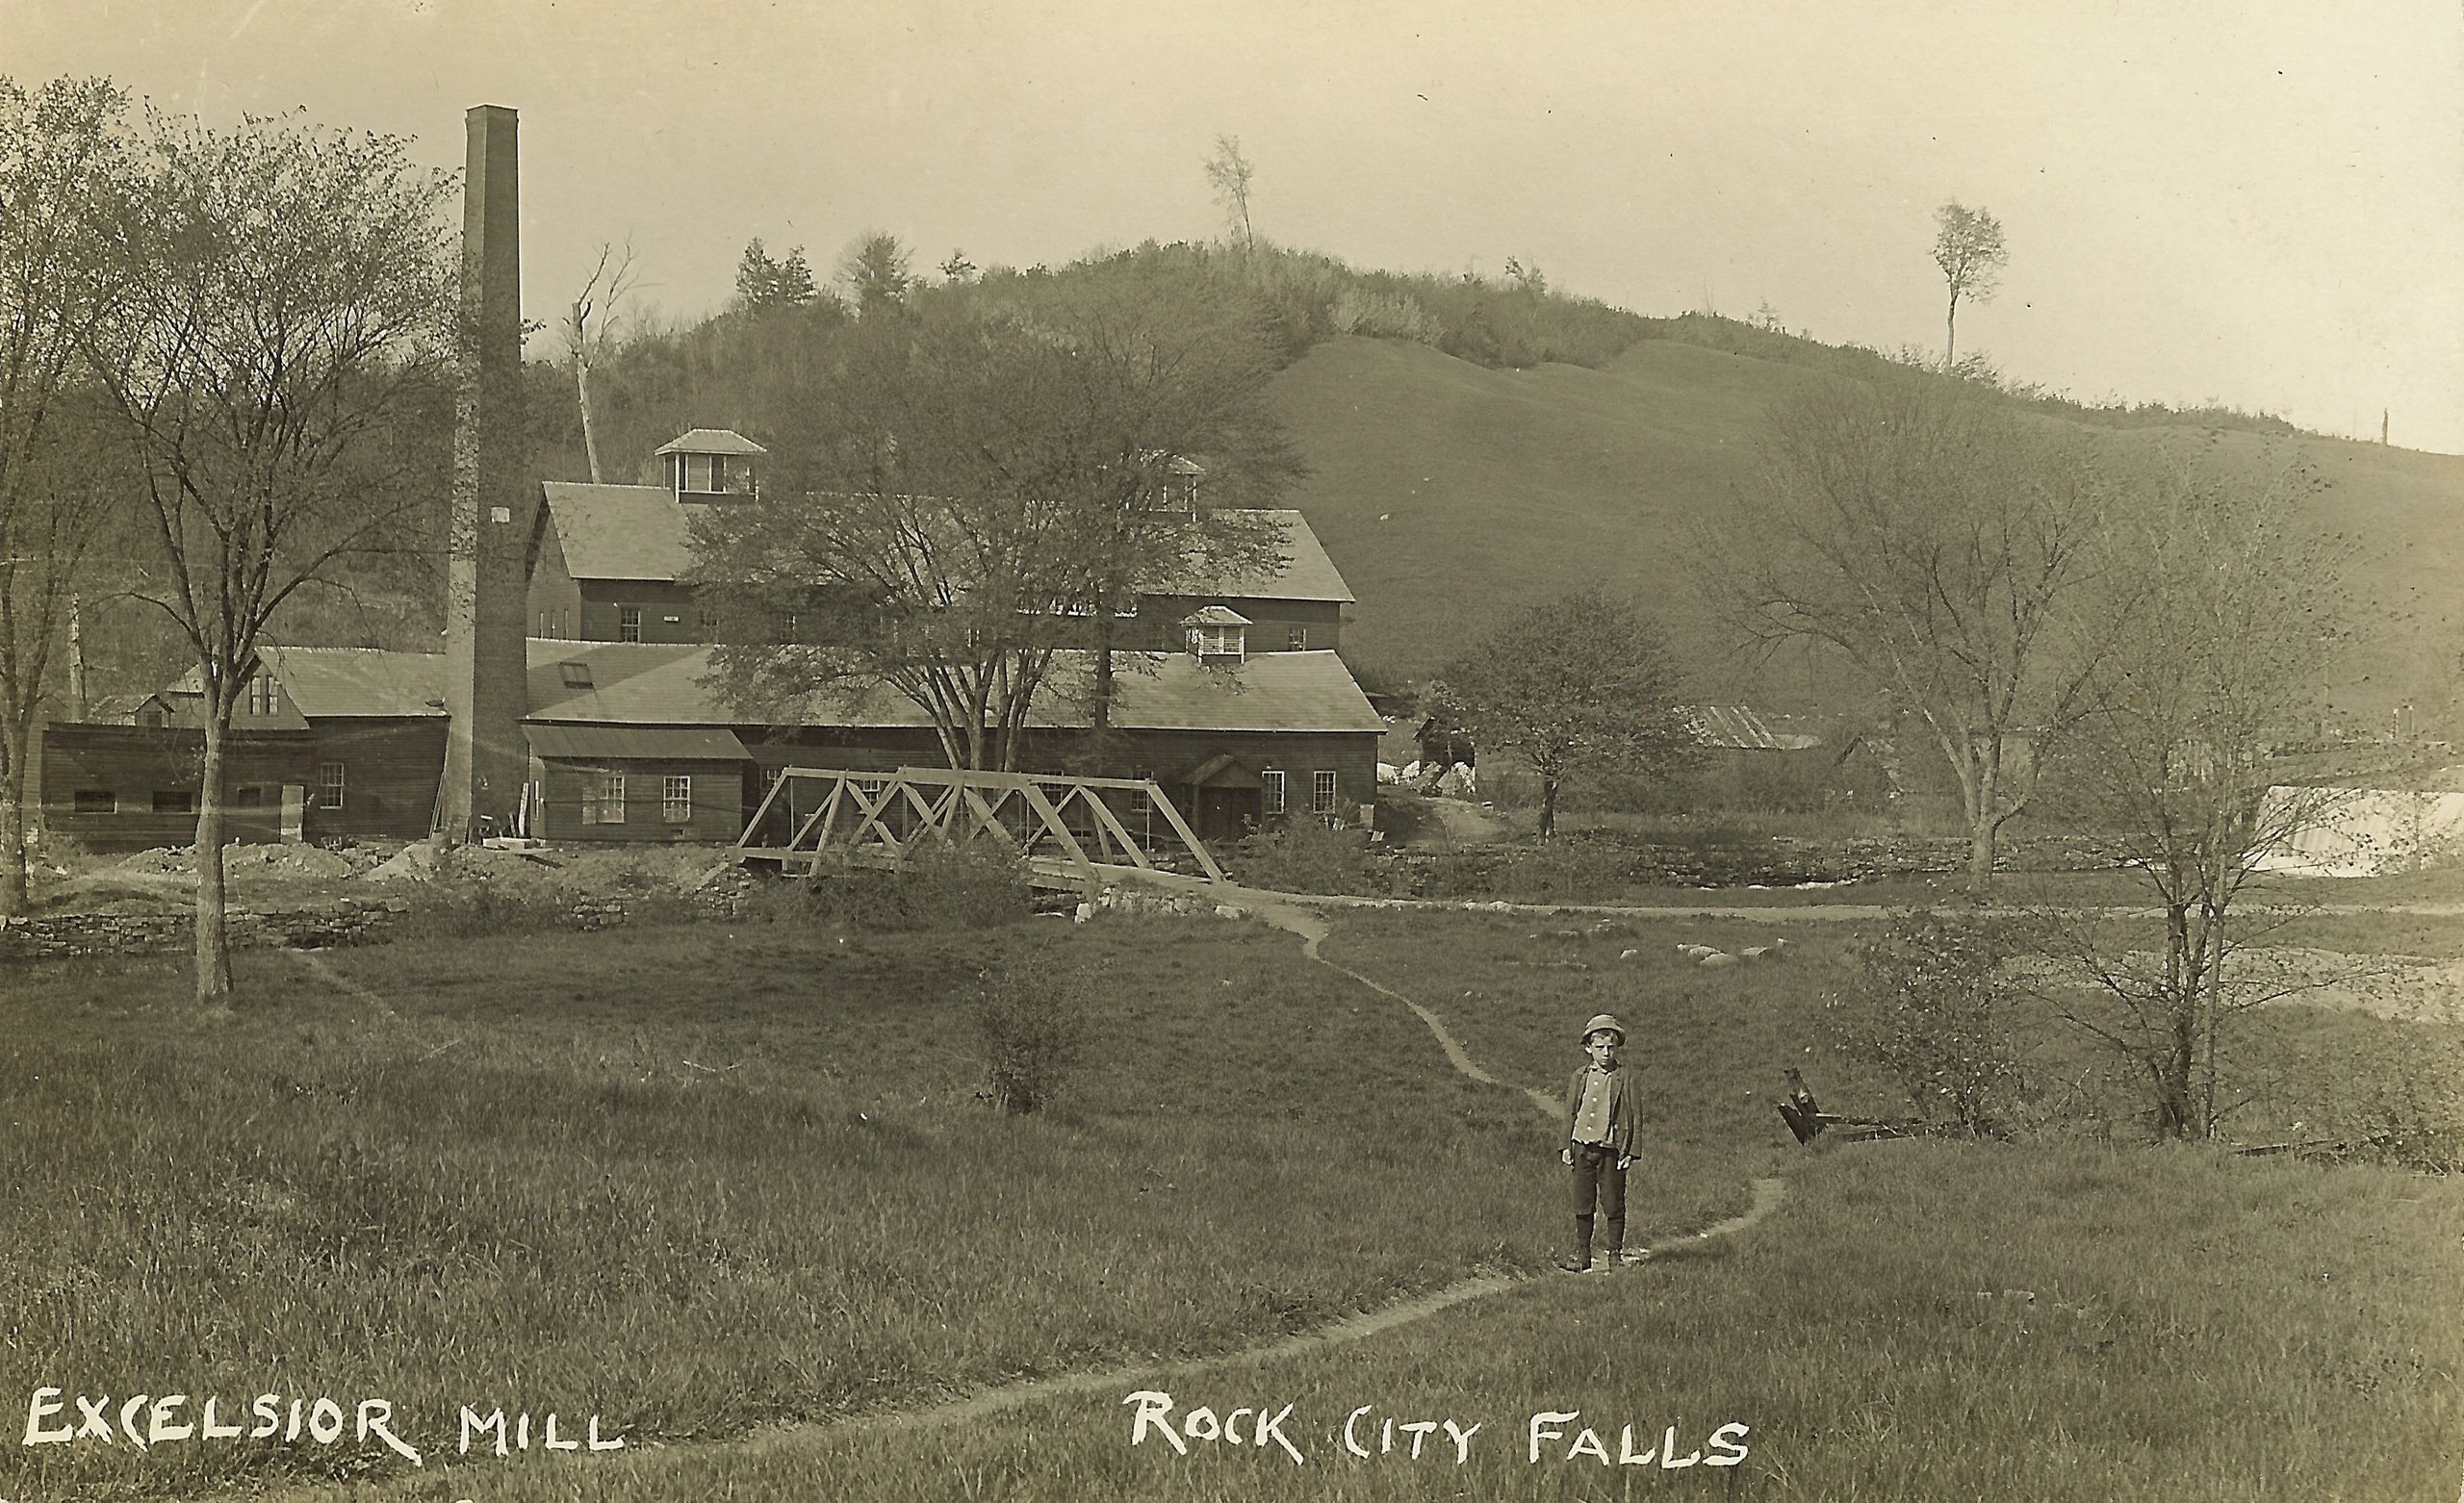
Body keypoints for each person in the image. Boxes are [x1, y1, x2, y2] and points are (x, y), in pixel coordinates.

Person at [1556, 1012, 1642, 1272]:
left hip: (1611, 1151)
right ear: (1588, 1048)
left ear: (1616, 1048)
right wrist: (1565, 1146)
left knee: (1614, 1202)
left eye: (1610, 1047)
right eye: (1599, 1047)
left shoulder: (1625, 1077)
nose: (1605, 1053)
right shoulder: (1580, 1076)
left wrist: (1631, 1151)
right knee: (1582, 1202)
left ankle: (1614, 1255)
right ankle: (1583, 1256)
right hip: (1582, 1147)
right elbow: (1570, 1111)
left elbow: (1636, 1116)